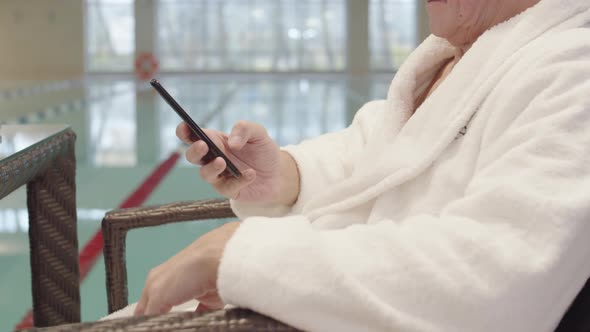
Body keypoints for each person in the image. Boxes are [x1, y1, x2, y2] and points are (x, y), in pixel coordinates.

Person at [132, 0, 590, 331]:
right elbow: (372, 153)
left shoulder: (573, 73)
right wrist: (284, 176)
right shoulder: (454, 58)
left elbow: (495, 281)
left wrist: (240, 254)